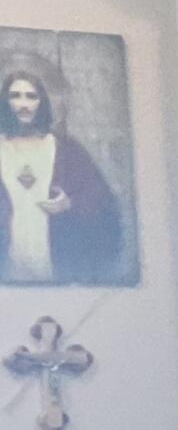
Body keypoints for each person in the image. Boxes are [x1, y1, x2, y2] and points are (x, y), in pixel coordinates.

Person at [2, 66, 128, 285]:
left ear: (41, 103)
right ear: (5, 102)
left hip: (57, 270)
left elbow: (101, 201)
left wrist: (69, 204)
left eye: (31, 97)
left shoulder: (66, 151)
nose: (23, 104)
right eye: (15, 96)